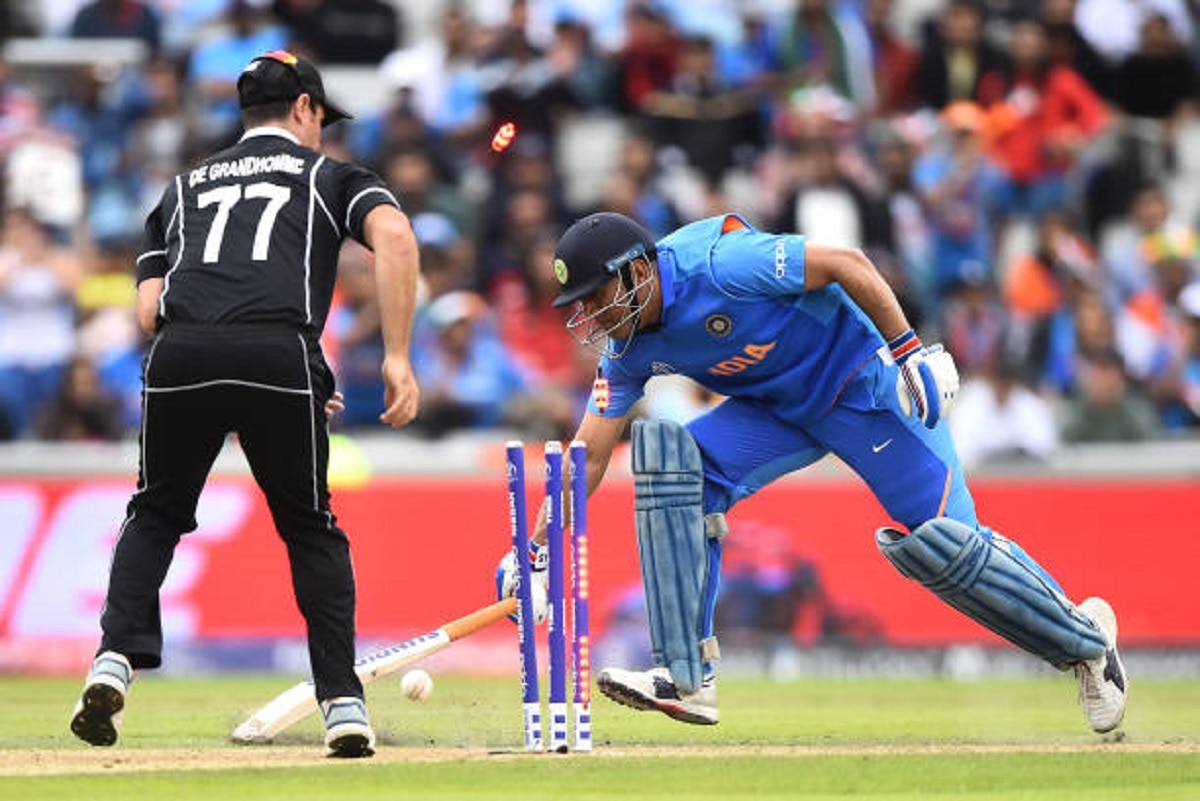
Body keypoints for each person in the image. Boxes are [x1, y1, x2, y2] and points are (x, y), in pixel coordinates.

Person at [496, 211, 1127, 735]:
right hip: (776, 412)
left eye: (596, 297)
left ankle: (1085, 643)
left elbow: (846, 262)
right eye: (579, 306)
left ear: (635, 270)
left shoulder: (719, 264)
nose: (592, 316)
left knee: (946, 546)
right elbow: (592, 452)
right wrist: (536, 548)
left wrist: (912, 351)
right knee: (673, 462)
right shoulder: (631, 347)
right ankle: (686, 678)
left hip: (860, 388)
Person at [69, 50, 421, 759]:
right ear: (303, 110)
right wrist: (395, 355)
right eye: (322, 117)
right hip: (276, 352)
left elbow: (145, 310)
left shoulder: (181, 187)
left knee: (156, 511)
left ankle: (113, 659)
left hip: (181, 353)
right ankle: (343, 703)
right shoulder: (329, 176)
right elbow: (396, 237)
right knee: (310, 527)